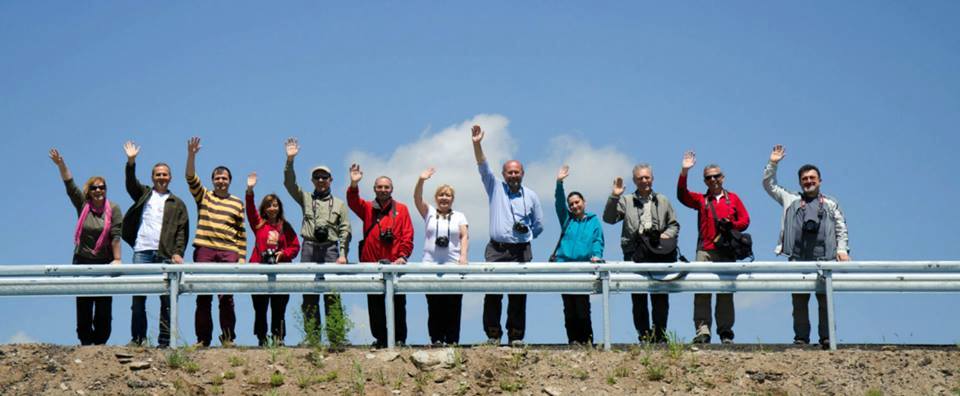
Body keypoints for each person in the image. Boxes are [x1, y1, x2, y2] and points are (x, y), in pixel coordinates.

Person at [763, 145, 850, 347]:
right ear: (800, 182)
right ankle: (801, 338)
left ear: (819, 180)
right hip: (798, 259)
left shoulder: (830, 203)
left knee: (824, 301)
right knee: (799, 302)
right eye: (805, 179)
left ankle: (827, 338)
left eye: (812, 178)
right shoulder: (791, 199)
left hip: (825, 259)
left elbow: (841, 227)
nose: (808, 182)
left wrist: (842, 250)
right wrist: (773, 163)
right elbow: (769, 184)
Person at [471, 125, 544, 346]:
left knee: (518, 294)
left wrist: (525, 233)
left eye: (517, 172)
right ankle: (493, 335)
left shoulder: (531, 196)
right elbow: (483, 166)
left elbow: (539, 225)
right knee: (492, 293)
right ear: (504, 174)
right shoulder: (495, 187)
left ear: (522, 174)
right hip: (497, 249)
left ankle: (516, 336)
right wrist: (477, 143)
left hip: (521, 250)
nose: (513, 175)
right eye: (509, 172)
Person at [49, 148, 122, 345]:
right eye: (95, 188)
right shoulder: (83, 205)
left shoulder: (113, 209)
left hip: (104, 262)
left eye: (102, 187)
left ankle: (100, 342)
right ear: (89, 191)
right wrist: (61, 164)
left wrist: (117, 260)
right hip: (82, 261)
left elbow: (116, 235)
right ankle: (85, 341)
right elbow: (69, 184)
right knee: (84, 303)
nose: (99, 191)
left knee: (104, 305)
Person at [121, 141, 189, 348]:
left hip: (166, 255)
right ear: (152, 178)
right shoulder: (144, 195)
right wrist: (131, 161)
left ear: (170, 177)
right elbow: (130, 183)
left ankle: (165, 341)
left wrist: (178, 253)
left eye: (165, 174)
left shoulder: (177, 203)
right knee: (138, 298)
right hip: (142, 251)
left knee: (167, 300)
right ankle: (138, 339)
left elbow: (182, 231)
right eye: (158, 174)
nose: (161, 177)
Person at [282, 138, 352, 339]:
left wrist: (343, 254)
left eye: (324, 177)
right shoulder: (306, 198)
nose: (321, 180)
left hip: (331, 249)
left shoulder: (339, 204)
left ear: (331, 180)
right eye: (317, 177)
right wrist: (290, 160)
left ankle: (336, 336)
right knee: (309, 293)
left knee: (332, 293)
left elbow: (345, 230)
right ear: (312, 180)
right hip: (309, 247)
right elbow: (289, 184)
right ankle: (312, 337)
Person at [677, 151, 750, 344]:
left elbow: (745, 220)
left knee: (725, 292)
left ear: (723, 178)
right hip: (705, 250)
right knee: (701, 291)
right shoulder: (702, 200)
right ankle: (703, 330)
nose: (713, 180)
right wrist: (685, 171)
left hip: (726, 251)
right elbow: (682, 195)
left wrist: (731, 225)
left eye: (716, 176)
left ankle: (725, 331)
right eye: (708, 177)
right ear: (705, 181)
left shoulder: (733, 198)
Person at [603, 163, 680, 343]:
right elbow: (609, 219)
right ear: (635, 181)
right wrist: (615, 196)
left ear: (652, 179)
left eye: (647, 177)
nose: (644, 181)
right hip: (634, 252)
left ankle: (660, 334)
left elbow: (674, 224)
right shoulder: (627, 200)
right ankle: (644, 334)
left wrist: (663, 236)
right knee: (638, 297)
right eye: (640, 178)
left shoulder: (662, 200)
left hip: (658, 252)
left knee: (660, 296)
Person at [185, 136, 247, 347]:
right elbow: (190, 177)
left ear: (230, 180)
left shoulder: (237, 202)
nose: (221, 181)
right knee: (203, 296)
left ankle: (228, 338)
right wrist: (191, 155)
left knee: (226, 297)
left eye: (224, 178)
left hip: (229, 251)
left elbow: (241, 231)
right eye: (218, 178)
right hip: (205, 249)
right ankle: (203, 339)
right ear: (213, 181)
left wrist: (242, 256)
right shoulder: (204, 196)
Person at [347, 163, 414, 348]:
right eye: (379, 187)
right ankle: (381, 339)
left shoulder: (402, 209)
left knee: (398, 303)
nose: (383, 190)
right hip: (371, 264)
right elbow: (353, 202)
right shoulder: (368, 208)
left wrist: (403, 256)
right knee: (375, 304)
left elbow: (407, 235)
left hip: (395, 264)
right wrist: (354, 184)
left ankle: (399, 339)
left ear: (392, 189)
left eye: (386, 187)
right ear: (374, 189)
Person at [413, 167, 470, 346]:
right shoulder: (429, 213)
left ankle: (452, 340)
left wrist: (463, 257)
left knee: (453, 304)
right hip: (431, 265)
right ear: (436, 198)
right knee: (434, 304)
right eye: (441, 195)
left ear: (452, 199)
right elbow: (417, 198)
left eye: (448, 195)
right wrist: (421, 180)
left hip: (453, 265)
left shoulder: (459, 216)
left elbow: (464, 236)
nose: (444, 198)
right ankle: (436, 339)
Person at [246, 172, 301, 346]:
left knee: (279, 308)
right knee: (260, 308)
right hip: (259, 271)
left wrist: (283, 254)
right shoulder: (259, 224)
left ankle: (279, 338)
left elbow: (295, 246)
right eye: (269, 205)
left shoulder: (285, 226)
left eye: (275, 205)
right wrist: (250, 190)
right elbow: (249, 210)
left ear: (279, 208)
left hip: (281, 272)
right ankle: (261, 338)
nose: (272, 208)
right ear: (264, 208)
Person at [553, 165, 603, 345]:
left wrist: (597, 256)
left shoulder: (594, 220)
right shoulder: (567, 219)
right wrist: (559, 183)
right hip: (565, 268)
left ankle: (587, 341)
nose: (574, 205)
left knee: (582, 306)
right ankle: (573, 341)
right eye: (571, 204)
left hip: (583, 269)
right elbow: (559, 202)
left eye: (577, 202)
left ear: (584, 202)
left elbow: (598, 240)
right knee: (569, 307)